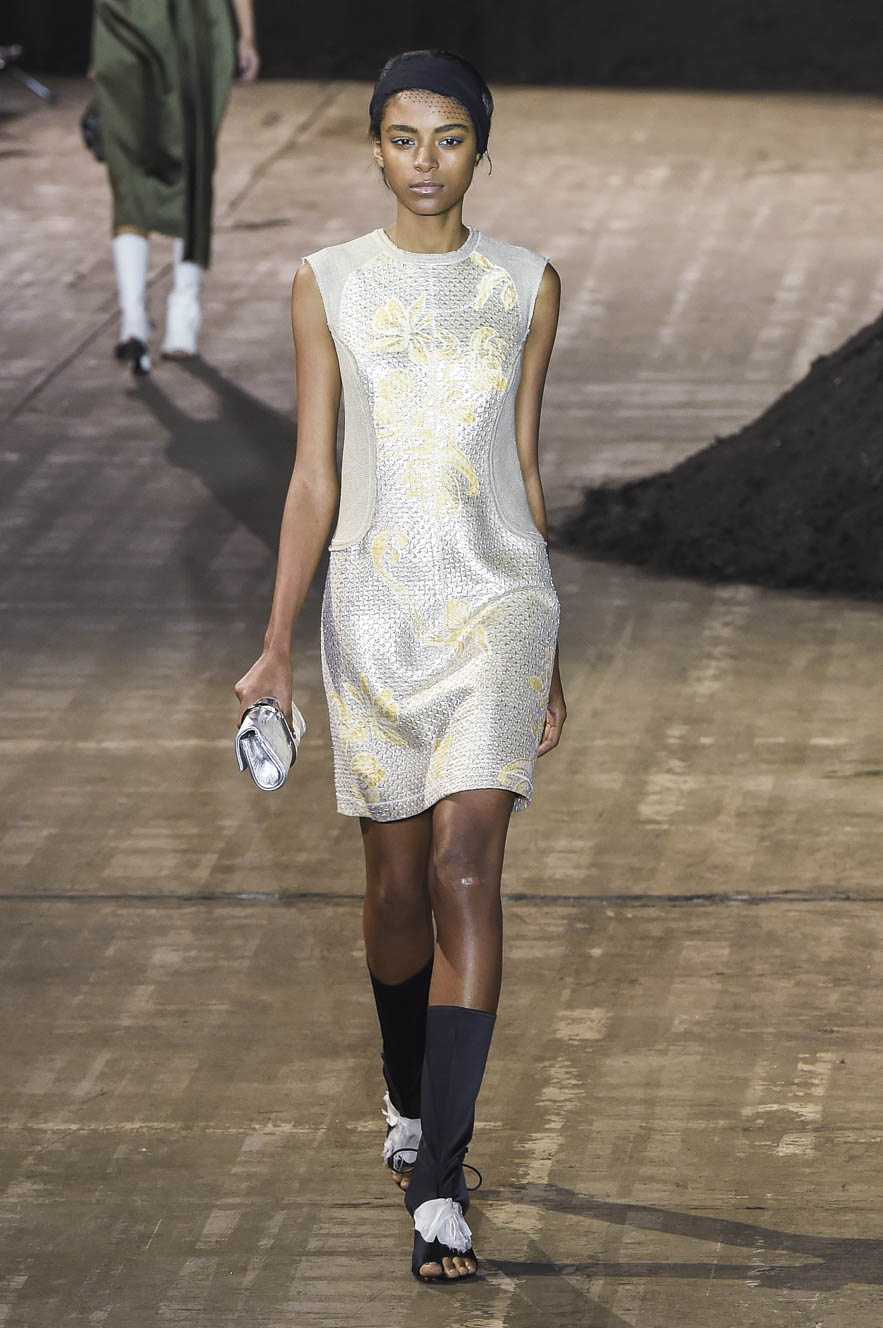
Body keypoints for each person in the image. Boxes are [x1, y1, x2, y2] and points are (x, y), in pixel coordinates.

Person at [235, 48, 566, 1283]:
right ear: (373, 147)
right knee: (392, 890)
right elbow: (313, 473)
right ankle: (407, 1091)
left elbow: (522, 468)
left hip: (498, 601)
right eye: (403, 138)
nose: (426, 162)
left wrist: (550, 647)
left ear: (482, 148)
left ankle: (440, 1183)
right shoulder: (326, 283)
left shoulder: (526, 284)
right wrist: (277, 641)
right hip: (374, 608)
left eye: (450, 138)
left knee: (463, 864)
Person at [91, 0, 259, 375]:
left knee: (165, 169)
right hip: (145, 25)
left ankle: (155, 317)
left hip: (172, 26)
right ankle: (156, 319)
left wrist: (246, 35)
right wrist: (245, 35)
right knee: (147, 171)